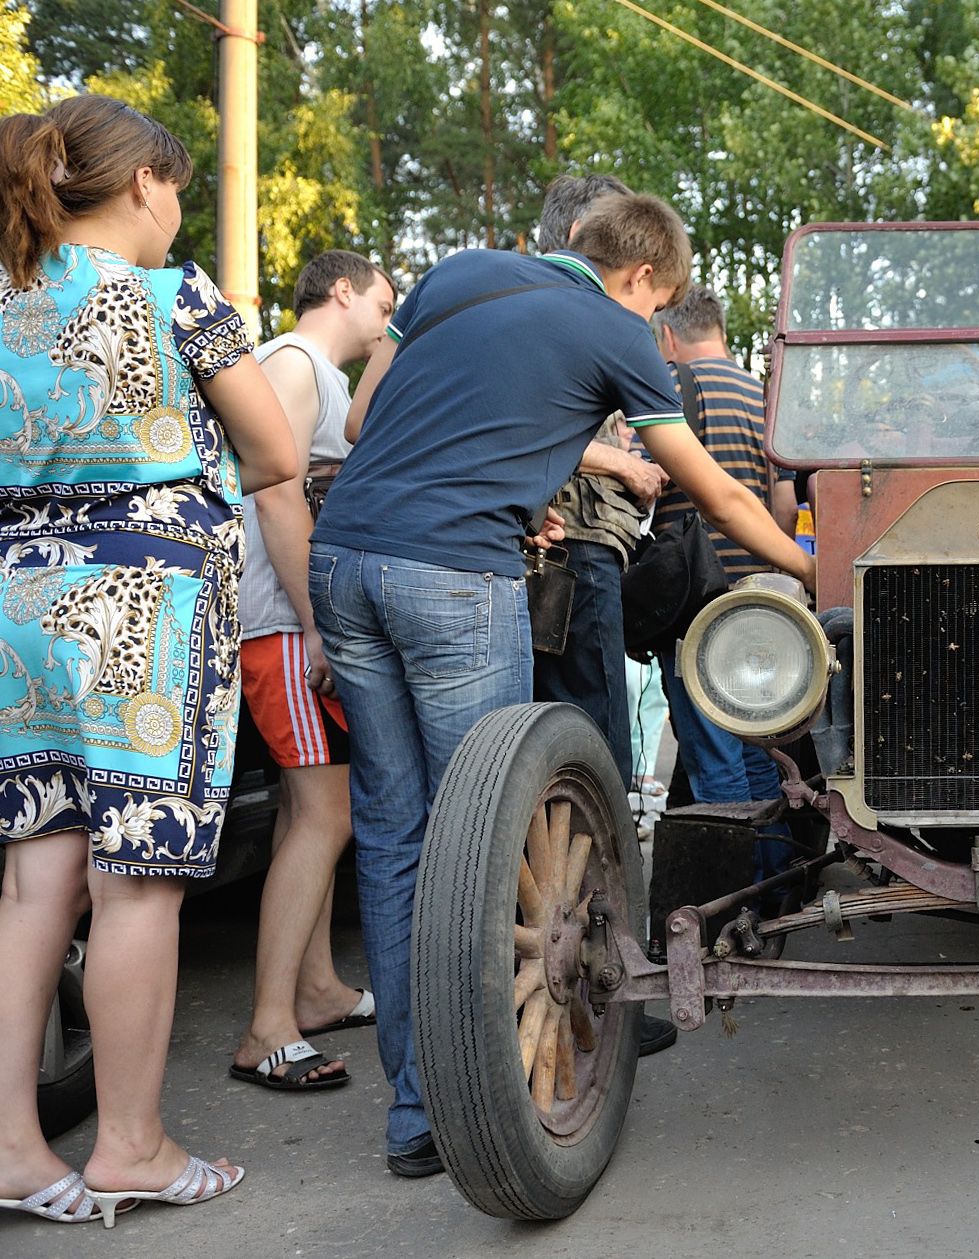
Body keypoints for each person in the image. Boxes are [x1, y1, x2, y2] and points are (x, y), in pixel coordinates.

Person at [311, 191, 815, 1179]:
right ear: (639, 280)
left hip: (345, 559)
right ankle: (490, 1097)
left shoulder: (456, 271)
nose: (651, 325)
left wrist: (513, 485)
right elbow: (712, 488)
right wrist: (812, 572)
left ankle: (415, 1107)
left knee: (398, 829)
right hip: (453, 574)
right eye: (655, 305)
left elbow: (368, 417)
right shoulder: (614, 330)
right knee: (487, 846)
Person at [0, 95, 298, 1225]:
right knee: (139, 879)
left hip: (15, 596)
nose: (177, 209)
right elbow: (273, 453)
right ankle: (129, 1143)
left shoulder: (4, 297)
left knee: (35, 879)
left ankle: (15, 1149)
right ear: (140, 185)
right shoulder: (178, 297)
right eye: (175, 186)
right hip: (145, 596)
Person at [228, 250, 395, 1093]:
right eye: (382, 302)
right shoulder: (292, 363)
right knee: (324, 818)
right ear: (342, 291)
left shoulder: (313, 373)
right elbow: (276, 496)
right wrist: (317, 620)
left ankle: (319, 988)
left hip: (291, 623)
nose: (387, 320)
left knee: (311, 816)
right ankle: (267, 1027)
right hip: (284, 626)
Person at [650, 287, 798, 882]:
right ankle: (780, 889)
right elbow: (786, 505)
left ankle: (737, 912)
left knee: (716, 769)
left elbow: (647, 480)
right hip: (761, 606)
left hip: (695, 610)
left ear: (668, 335)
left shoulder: (670, 387)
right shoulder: (768, 396)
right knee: (760, 761)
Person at [530, 174, 668, 802]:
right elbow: (531, 427)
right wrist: (625, 465)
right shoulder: (561, 310)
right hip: (570, 545)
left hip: (574, 541)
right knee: (597, 725)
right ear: (583, 234)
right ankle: (609, 892)